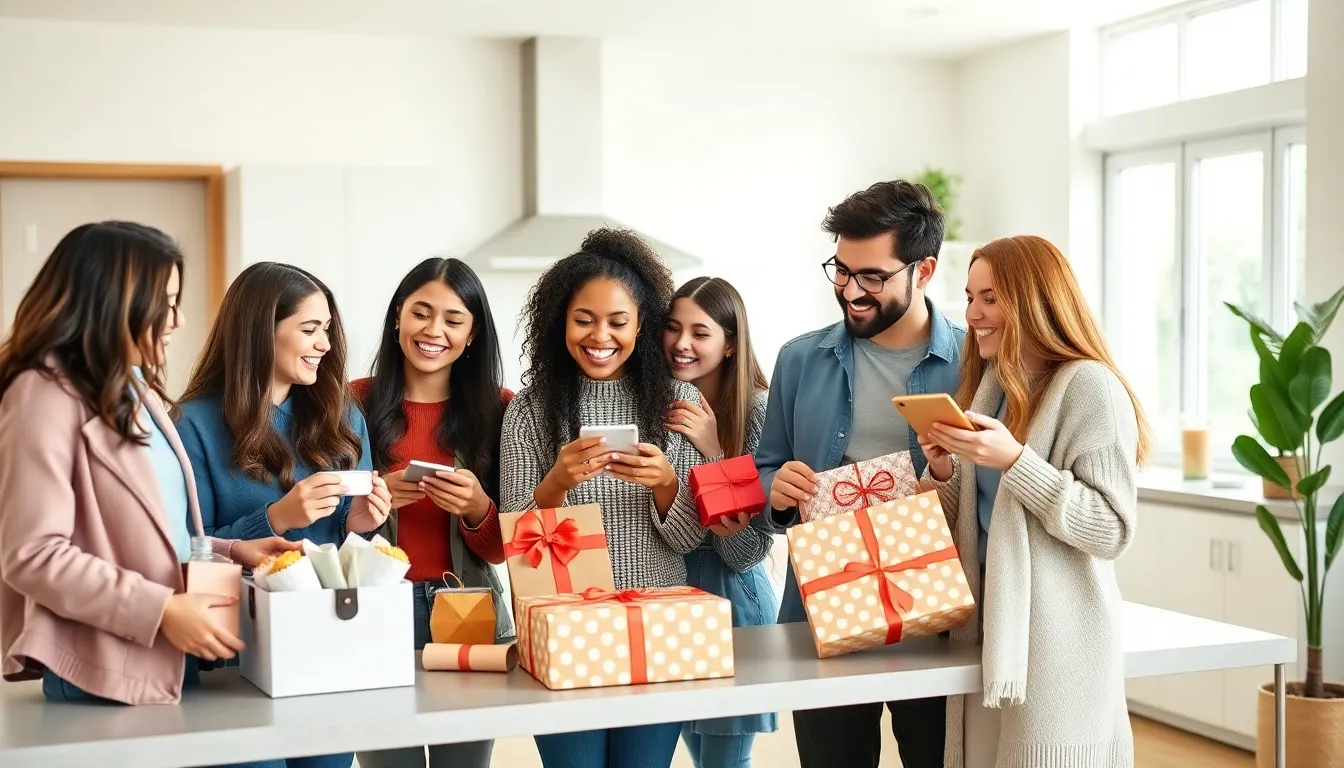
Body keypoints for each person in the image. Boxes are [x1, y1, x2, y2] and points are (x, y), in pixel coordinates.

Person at [0, 222, 295, 717]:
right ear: (112, 300)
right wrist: (159, 610)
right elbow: (32, 554)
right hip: (103, 663)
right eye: (166, 302)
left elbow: (152, 530)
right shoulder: (41, 393)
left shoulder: (138, 388)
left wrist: (230, 549)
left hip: (171, 652)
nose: (178, 319)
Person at [501, 228, 762, 768]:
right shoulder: (528, 411)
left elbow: (692, 538)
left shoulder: (677, 401)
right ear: (560, 322)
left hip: (658, 624)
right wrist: (556, 485)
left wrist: (667, 483)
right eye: (584, 320)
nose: (601, 336)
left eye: (618, 322)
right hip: (564, 625)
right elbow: (516, 547)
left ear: (641, 325)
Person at [752, 180, 965, 768]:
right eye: (841, 271)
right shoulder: (800, 358)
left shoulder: (975, 364)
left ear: (923, 270)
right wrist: (778, 490)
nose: (850, 290)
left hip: (938, 619)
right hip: (822, 614)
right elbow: (767, 469)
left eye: (872, 275)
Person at [917, 235, 1148, 768]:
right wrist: (944, 467)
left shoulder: (1091, 387)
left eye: (991, 298)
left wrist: (1016, 461)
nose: (973, 314)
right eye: (971, 297)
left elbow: (1112, 528)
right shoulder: (992, 384)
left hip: (1057, 650)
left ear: (1037, 301)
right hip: (986, 638)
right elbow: (974, 518)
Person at [177, 262, 392, 768]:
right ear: (259, 333)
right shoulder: (194, 423)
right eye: (309, 330)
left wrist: (357, 523)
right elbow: (188, 551)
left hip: (326, 645)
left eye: (328, 331)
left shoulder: (342, 418)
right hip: (235, 655)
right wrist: (273, 518)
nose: (324, 344)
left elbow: (342, 541)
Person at [351, 258, 512, 768]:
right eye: (421, 312)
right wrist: (369, 509)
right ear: (398, 316)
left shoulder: (501, 410)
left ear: (472, 335)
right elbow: (325, 534)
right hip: (375, 613)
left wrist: (479, 508)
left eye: (453, 319)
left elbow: (506, 549)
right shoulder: (351, 402)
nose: (434, 331)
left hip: (467, 608)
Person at [663, 277, 777, 768]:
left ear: (730, 343)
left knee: (725, 762)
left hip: (733, 597)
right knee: (694, 747)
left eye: (700, 332)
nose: (681, 344)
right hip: (671, 593)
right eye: (672, 328)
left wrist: (713, 451)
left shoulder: (759, 412)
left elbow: (749, 551)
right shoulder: (659, 406)